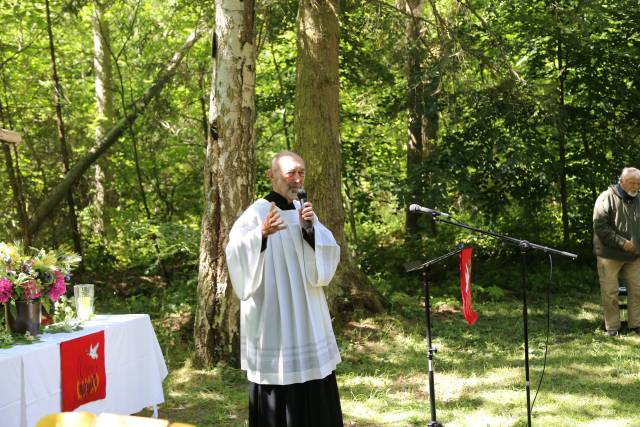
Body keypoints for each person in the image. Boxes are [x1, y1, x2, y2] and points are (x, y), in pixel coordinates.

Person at [225, 151, 343, 426]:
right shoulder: (257, 213)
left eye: (301, 172)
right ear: (272, 176)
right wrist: (261, 235)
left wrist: (311, 230)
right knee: (280, 381)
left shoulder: (304, 212)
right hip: (273, 316)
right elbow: (235, 252)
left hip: (307, 312)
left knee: (314, 381)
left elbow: (328, 253)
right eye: (291, 173)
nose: (298, 179)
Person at [593, 166, 640, 337]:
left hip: (634, 256)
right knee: (610, 292)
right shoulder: (606, 198)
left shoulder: (639, 200)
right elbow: (600, 226)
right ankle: (613, 328)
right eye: (631, 183)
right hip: (609, 254)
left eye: (638, 183)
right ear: (621, 182)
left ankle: (636, 325)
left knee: (637, 290)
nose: (635, 186)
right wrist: (621, 242)